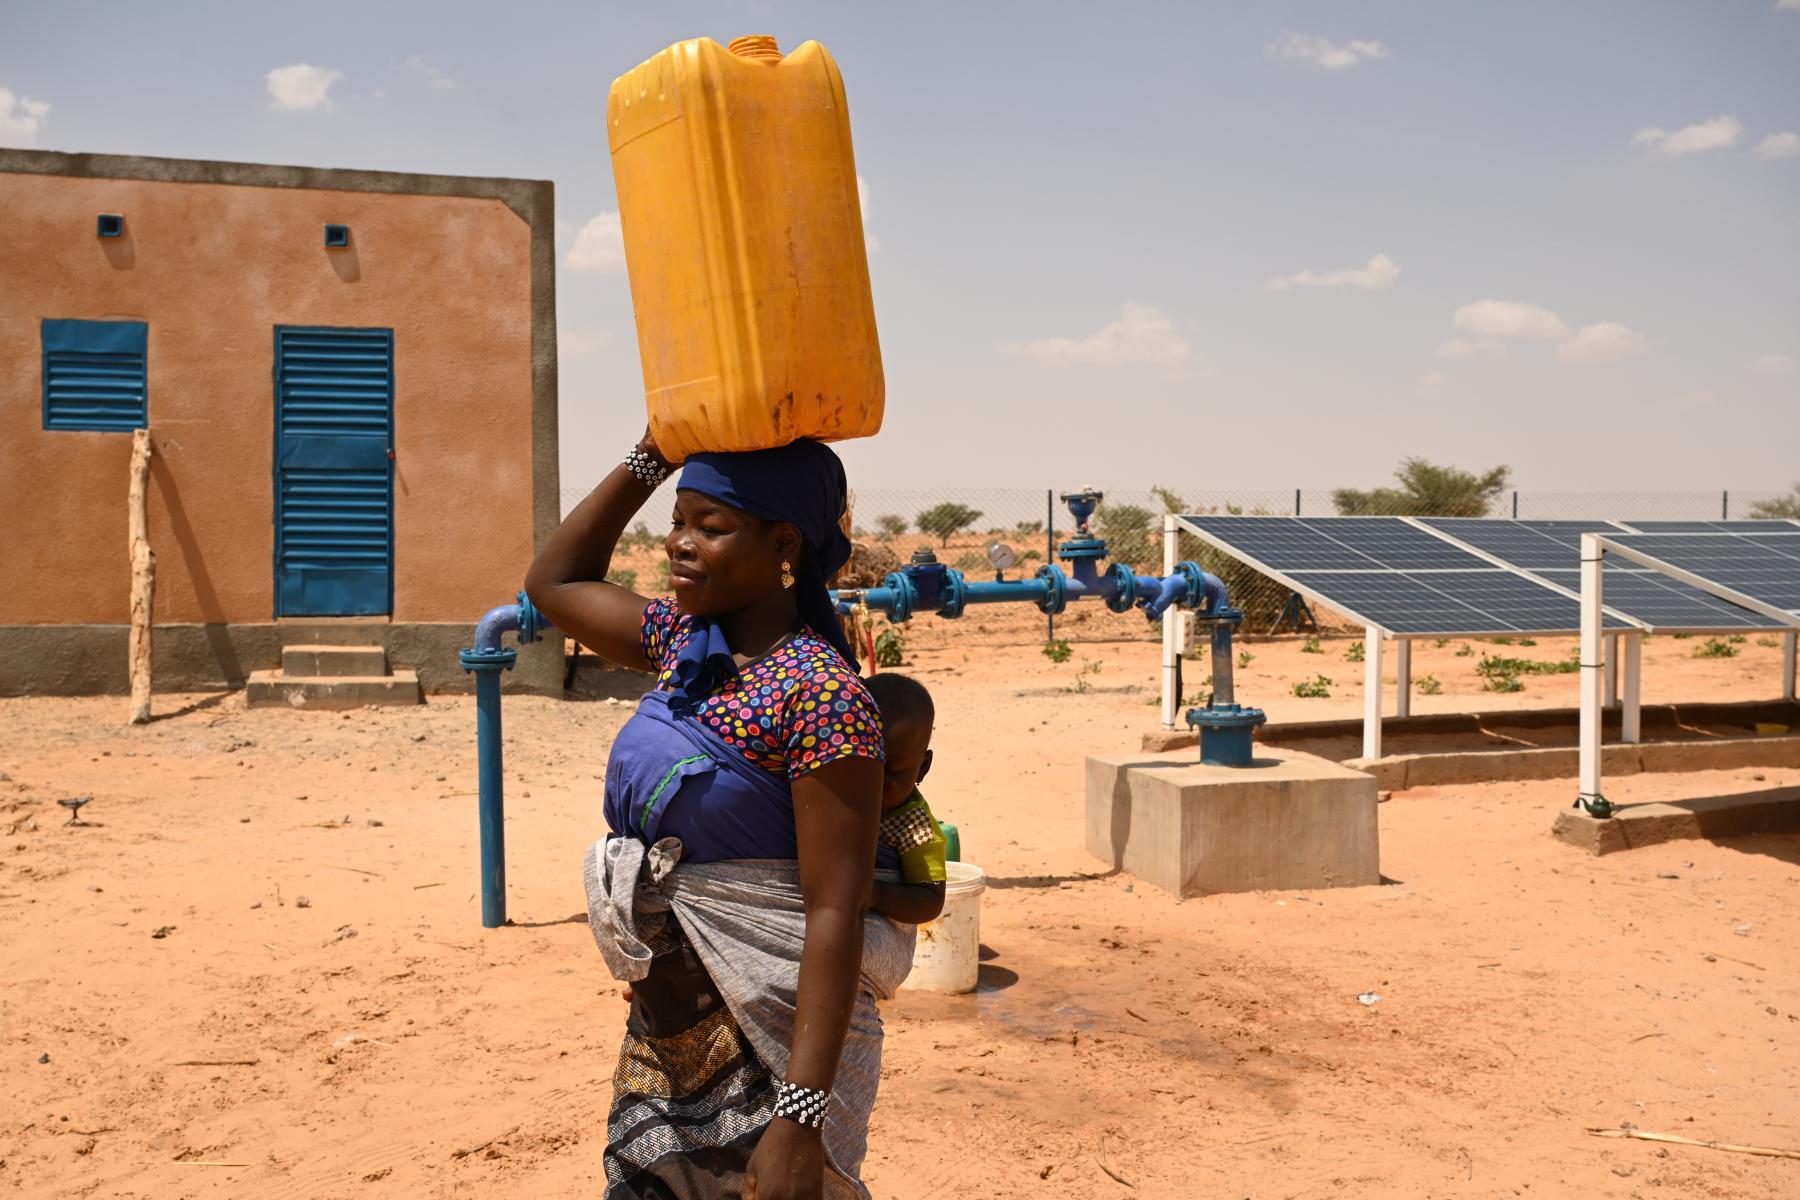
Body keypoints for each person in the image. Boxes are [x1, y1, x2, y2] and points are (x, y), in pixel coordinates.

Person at [526, 432, 913, 1200]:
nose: (679, 542)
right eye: (678, 520)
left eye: (711, 525)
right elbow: (553, 581)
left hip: (769, 1048)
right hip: (668, 1033)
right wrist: (651, 454)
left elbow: (834, 910)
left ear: (783, 543)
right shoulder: (680, 643)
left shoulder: (819, 694)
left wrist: (801, 1119)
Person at [860, 673, 947, 926]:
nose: (875, 782)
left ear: (923, 768)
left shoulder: (915, 829)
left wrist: (874, 893)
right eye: (863, 766)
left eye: (892, 771)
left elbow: (930, 900)